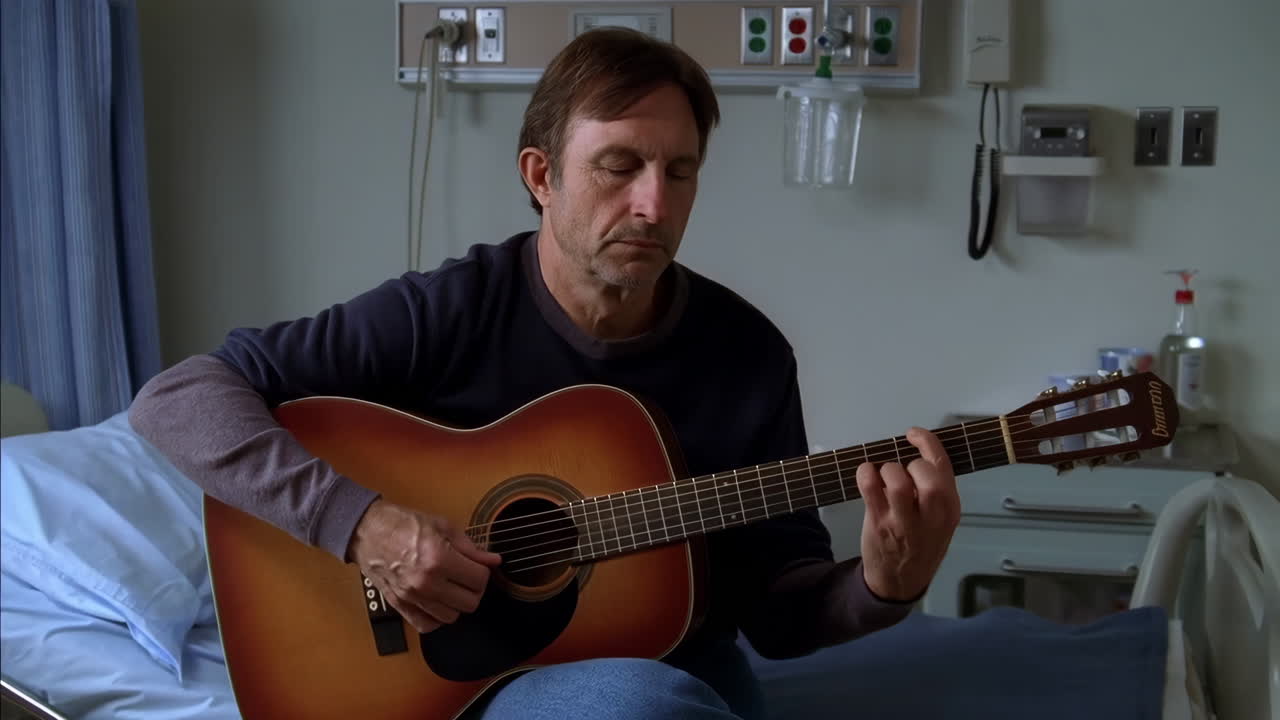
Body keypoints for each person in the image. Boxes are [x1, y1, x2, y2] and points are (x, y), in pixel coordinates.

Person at [129, 26, 960, 720]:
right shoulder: (450, 309)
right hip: (443, 674)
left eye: (679, 171)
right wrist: (363, 525)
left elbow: (779, 615)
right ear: (540, 176)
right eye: (619, 165)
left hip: (668, 659)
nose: (653, 205)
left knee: (661, 699)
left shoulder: (747, 354)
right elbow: (178, 397)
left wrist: (885, 587)